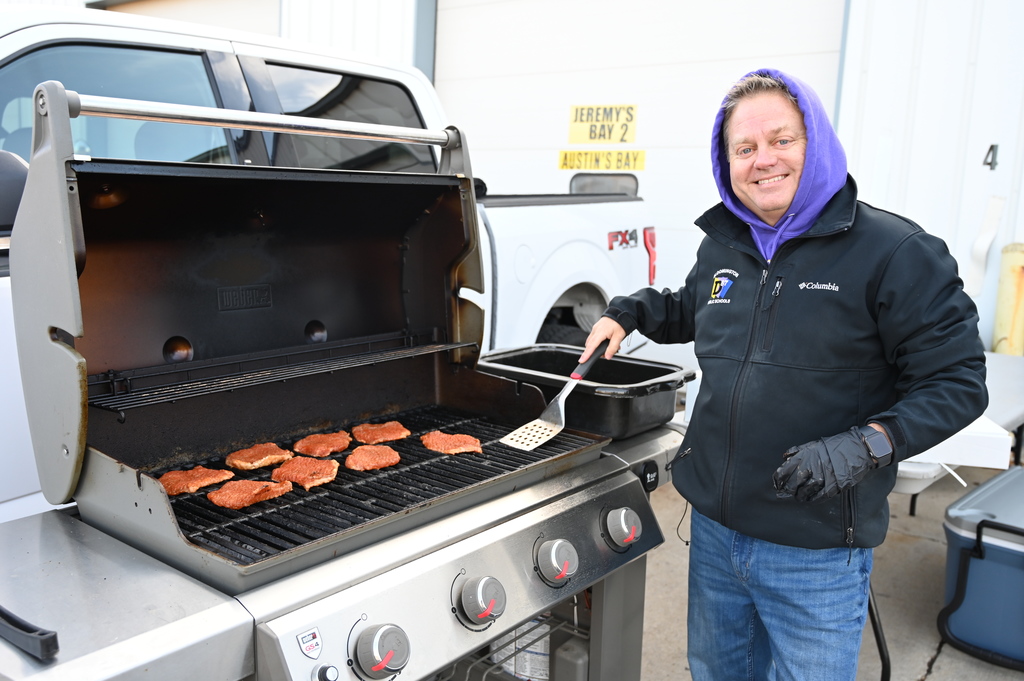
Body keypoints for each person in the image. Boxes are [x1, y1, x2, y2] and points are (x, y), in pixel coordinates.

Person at [580, 69, 988, 681]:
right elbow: (694, 306)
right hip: (716, 532)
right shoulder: (725, 244)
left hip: (816, 547)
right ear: (726, 164)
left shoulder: (896, 253)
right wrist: (629, 312)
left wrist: (868, 442)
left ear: (815, 143)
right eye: (744, 148)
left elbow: (958, 381)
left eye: (782, 140)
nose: (762, 160)